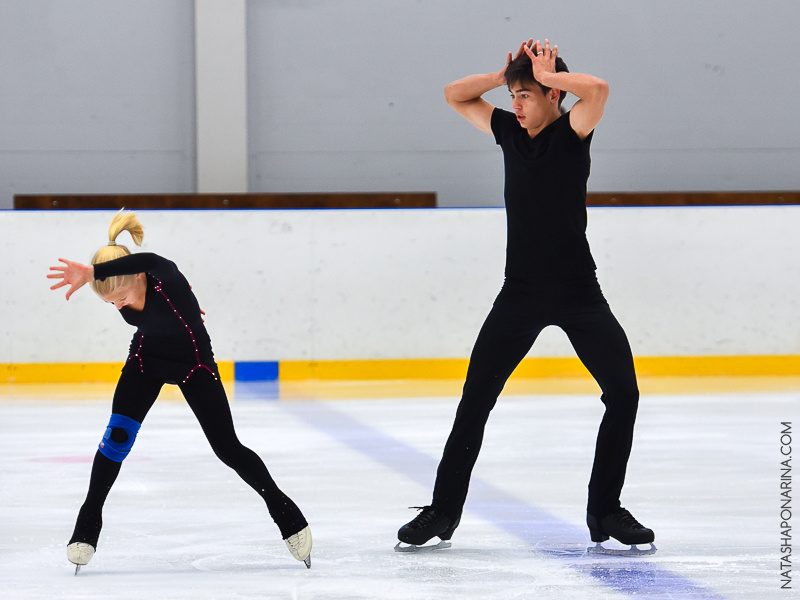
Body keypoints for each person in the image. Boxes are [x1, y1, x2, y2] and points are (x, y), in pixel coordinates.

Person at [397, 39, 655, 552]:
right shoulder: (507, 133)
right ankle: (443, 511)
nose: (516, 104)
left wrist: (551, 77)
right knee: (475, 400)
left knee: (623, 394)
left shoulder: (572, 133)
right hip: (520, 293)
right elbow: (454, 95)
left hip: (580, 292)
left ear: (553, 97)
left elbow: (599, 91)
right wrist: (503, 75)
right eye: (513, 95)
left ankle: (605, 509)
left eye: (526, 96)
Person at [48, 210, 312, 572]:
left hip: (194, 364)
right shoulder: (126, 290)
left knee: (227, 447)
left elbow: (156, 260)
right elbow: (154, 315)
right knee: (117, 438)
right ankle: (87, 522)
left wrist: (93, 272)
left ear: (137, 276)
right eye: (111, 304)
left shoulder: (164, 278)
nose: (119, 307)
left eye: (121, 298)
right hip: (146, 359)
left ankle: (286, 513)